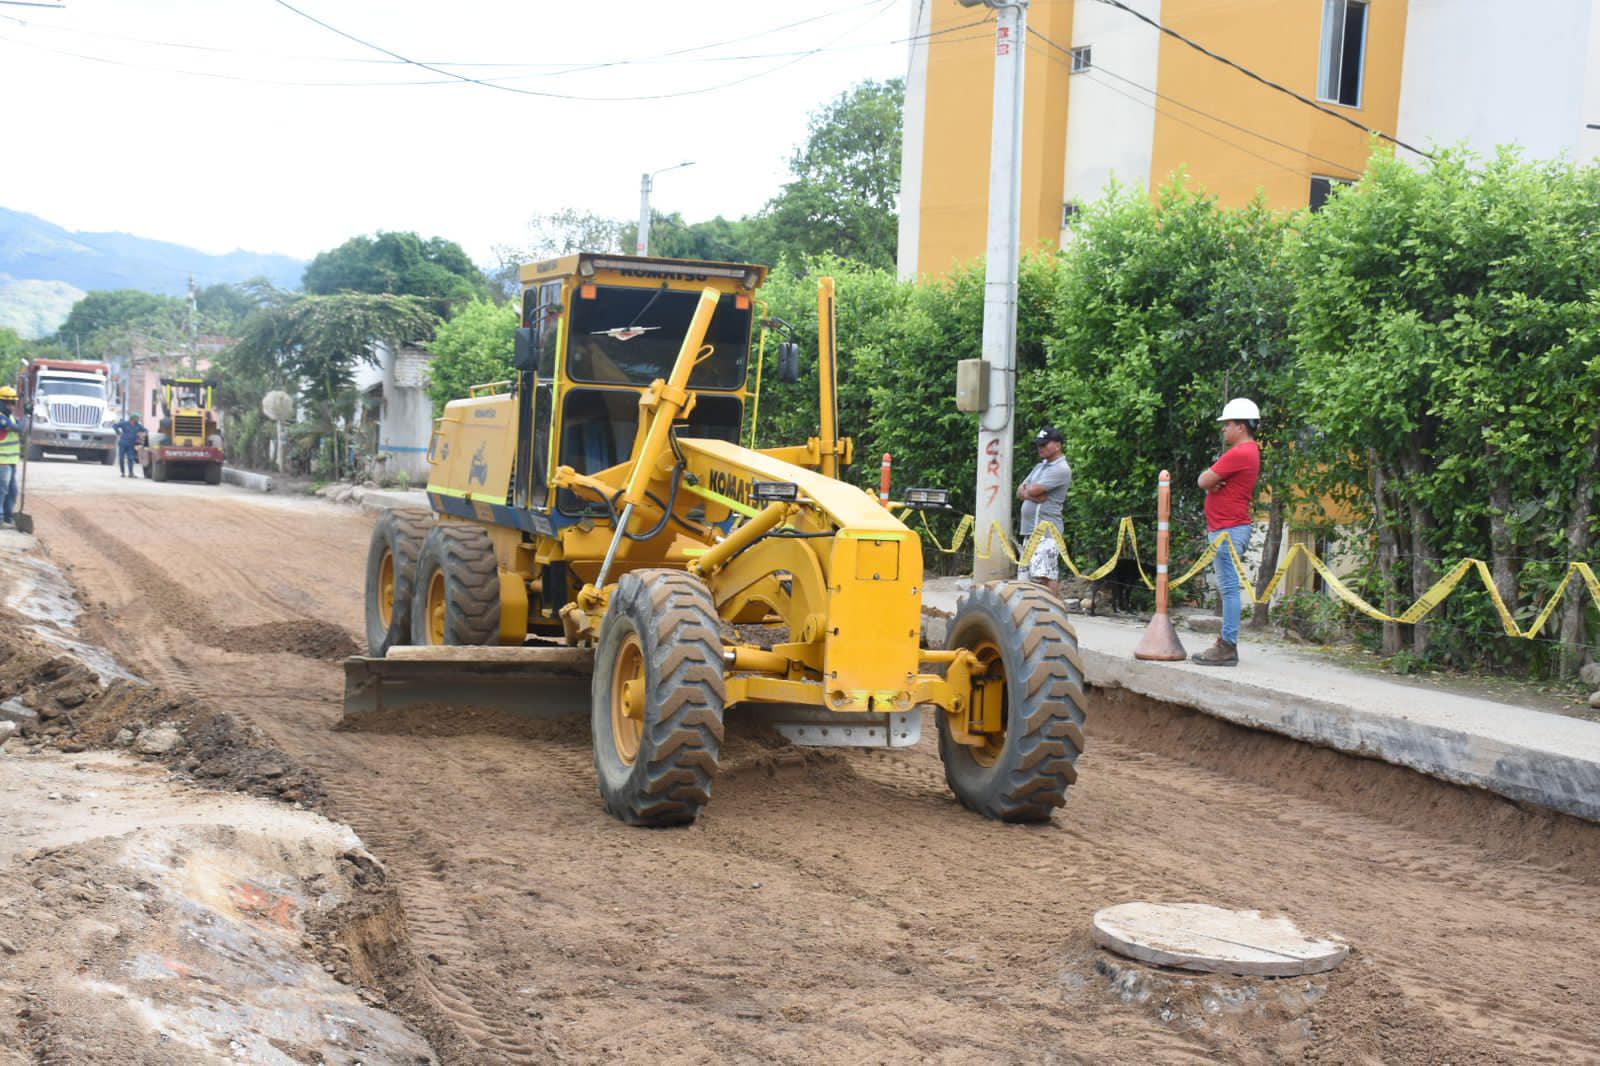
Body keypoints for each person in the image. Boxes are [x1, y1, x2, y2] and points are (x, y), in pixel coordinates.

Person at [1193, 398, 1262, 666]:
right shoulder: (1250, 451)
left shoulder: (1240, 453)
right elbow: (1210, 482)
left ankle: (1228, 646)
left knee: (1229, 588)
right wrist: (1213, 484)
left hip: (1228, 529)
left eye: (1228, 424)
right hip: (1227, 528)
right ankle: (1226, 643)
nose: (1224, 429)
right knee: (1228, 587)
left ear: (1241, 426)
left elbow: (1203, 480)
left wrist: (1211, 483)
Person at [1015, 426, 1072, 595]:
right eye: (1039, 445)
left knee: (1045, 576)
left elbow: (1032, 489)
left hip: (1046, 532)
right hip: (1030, 531)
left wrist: (1030, 491)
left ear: (1057, 445)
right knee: (1026, 577)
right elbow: (1019, 491)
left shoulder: (1060, 469)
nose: (1040, 448)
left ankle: (1053, 609)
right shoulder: (1039, 467)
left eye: (1044, 444)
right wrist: (1033, 495)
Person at [0, 385, 21, 528]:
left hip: (11, 460)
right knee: (2, 490)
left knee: (13, 491)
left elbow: (24, 428)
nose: (11, 406)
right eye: (8, 402)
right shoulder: (1, 418)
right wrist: (26, 419)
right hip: (2, 461)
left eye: (13, 402)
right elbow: (18, 428)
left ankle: (8, 517)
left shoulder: (11, 417)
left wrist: (29, 415)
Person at [111, 413, 146, 478]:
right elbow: (114, 426)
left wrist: (141, 436)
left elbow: (146, 430)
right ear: (133, 418)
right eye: (137, 418)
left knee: (131, 458)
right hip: (123, 443)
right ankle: (123, 472)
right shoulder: (124, 423)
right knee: (121, 458)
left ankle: (131, 473)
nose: (138, 419)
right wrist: (118, 432)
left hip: (131, 444)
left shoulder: (138, 426)